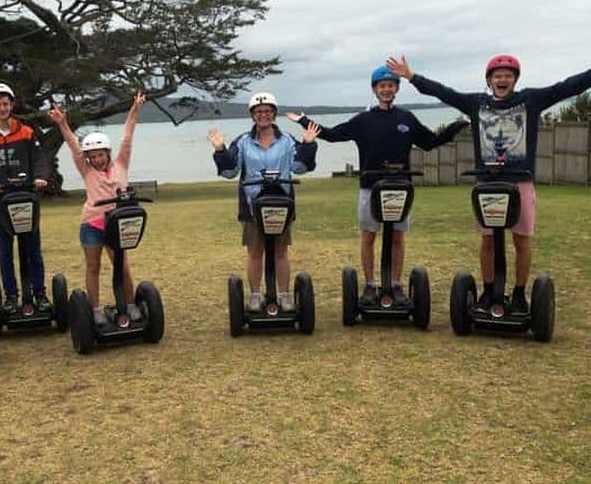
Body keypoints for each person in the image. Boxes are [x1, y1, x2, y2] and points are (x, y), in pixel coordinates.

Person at [387, 54, 591, 313]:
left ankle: (518, 293)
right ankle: (488, 290)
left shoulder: (530, 100)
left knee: (521, 240)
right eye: (497, 76)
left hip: (520, 183)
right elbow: (444, 93)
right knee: (488, 241)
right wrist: (412, 76)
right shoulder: (477, 103)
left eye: (508, 75)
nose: (502, 79)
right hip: (488, 186)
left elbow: (568, 87)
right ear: (489, 80)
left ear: (515, 79)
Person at [286, 66, 467, 306]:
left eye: (391, 85)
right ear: (374, 89)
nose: (386, 89)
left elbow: (430, 142)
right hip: (370, 187)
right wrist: (304, 121)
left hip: (400, 188)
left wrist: (457, 125)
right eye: (382, 86)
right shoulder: (364, 120)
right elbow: (333, 134)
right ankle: (371, 284)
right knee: (369, 237)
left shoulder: (406, 118)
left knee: (397, 238)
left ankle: (395, 284)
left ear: (396, 89)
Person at [208, 91, 320, 312]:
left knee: (280, 251)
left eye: (268, 111)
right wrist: (220, 150)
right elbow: (230, 171)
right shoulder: (242, 142)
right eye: (259, 112)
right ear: (253, 115)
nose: (263, 115)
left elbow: (300, 167)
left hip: (281, 204)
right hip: (253, 206)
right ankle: (256, 295)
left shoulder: (287, 141)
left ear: (274, 114)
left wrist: (308, 145)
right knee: (255, 251)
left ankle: (285, 295)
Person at [47, 91, 147, 325]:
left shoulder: (121, 163)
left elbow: (127, 136)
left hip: (117, 224)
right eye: (92, 156)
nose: (97, 160)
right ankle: (96, 309)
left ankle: (130, 305)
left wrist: (134, 109)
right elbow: (73, 145)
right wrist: (62, 123)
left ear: (108, 153)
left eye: (100, 155)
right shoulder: (87, 169)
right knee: (93, 266)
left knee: (121, 266)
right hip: (92, 223)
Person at [0, 82, 51, 314]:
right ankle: (11, 295)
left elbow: (38, 158)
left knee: (32, 248)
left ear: (12, 104)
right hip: (1, 199)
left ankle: (39, 293)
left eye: (5, 103)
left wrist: (39, 177)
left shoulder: (27, 132)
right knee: (5, 250)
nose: (2, 108)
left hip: (27, 197)